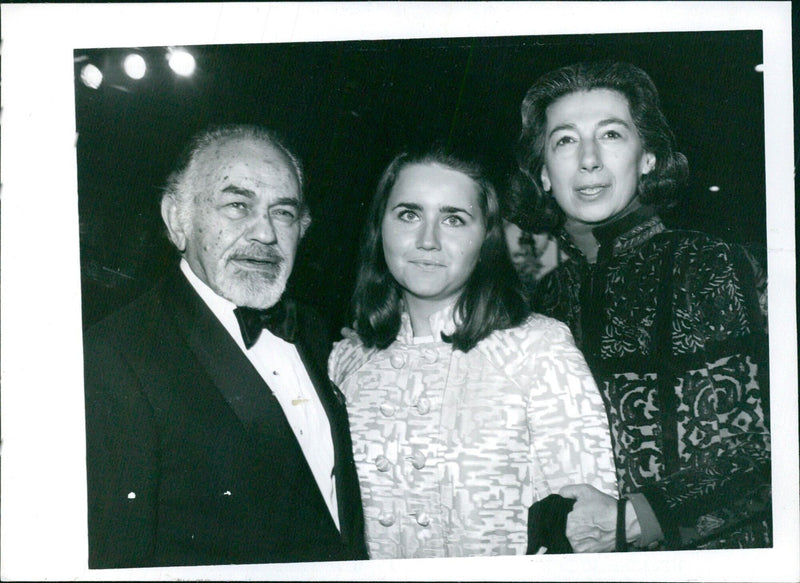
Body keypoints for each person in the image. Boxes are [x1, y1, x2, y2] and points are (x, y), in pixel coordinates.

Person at [509, 61, 771, 552]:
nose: (588, 159)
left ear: (648, 157)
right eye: (565, 140)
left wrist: (635, 519)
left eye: (611, 134)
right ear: (543, 172)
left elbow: (771, 453)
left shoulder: (705, 263)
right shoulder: (539, 302)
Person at [82, 124, 367, 568]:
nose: (266, 234)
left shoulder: (310, 329)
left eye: (284, 213)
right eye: (238, 205)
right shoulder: (111, 359)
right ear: (178, 220)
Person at [328, 147, 618, 558]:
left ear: (486, 237)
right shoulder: (345, 362)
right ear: (380, 227)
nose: (427, 240)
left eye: (453, 219)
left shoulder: (540, 349)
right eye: (408, 215)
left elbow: (587, 537)